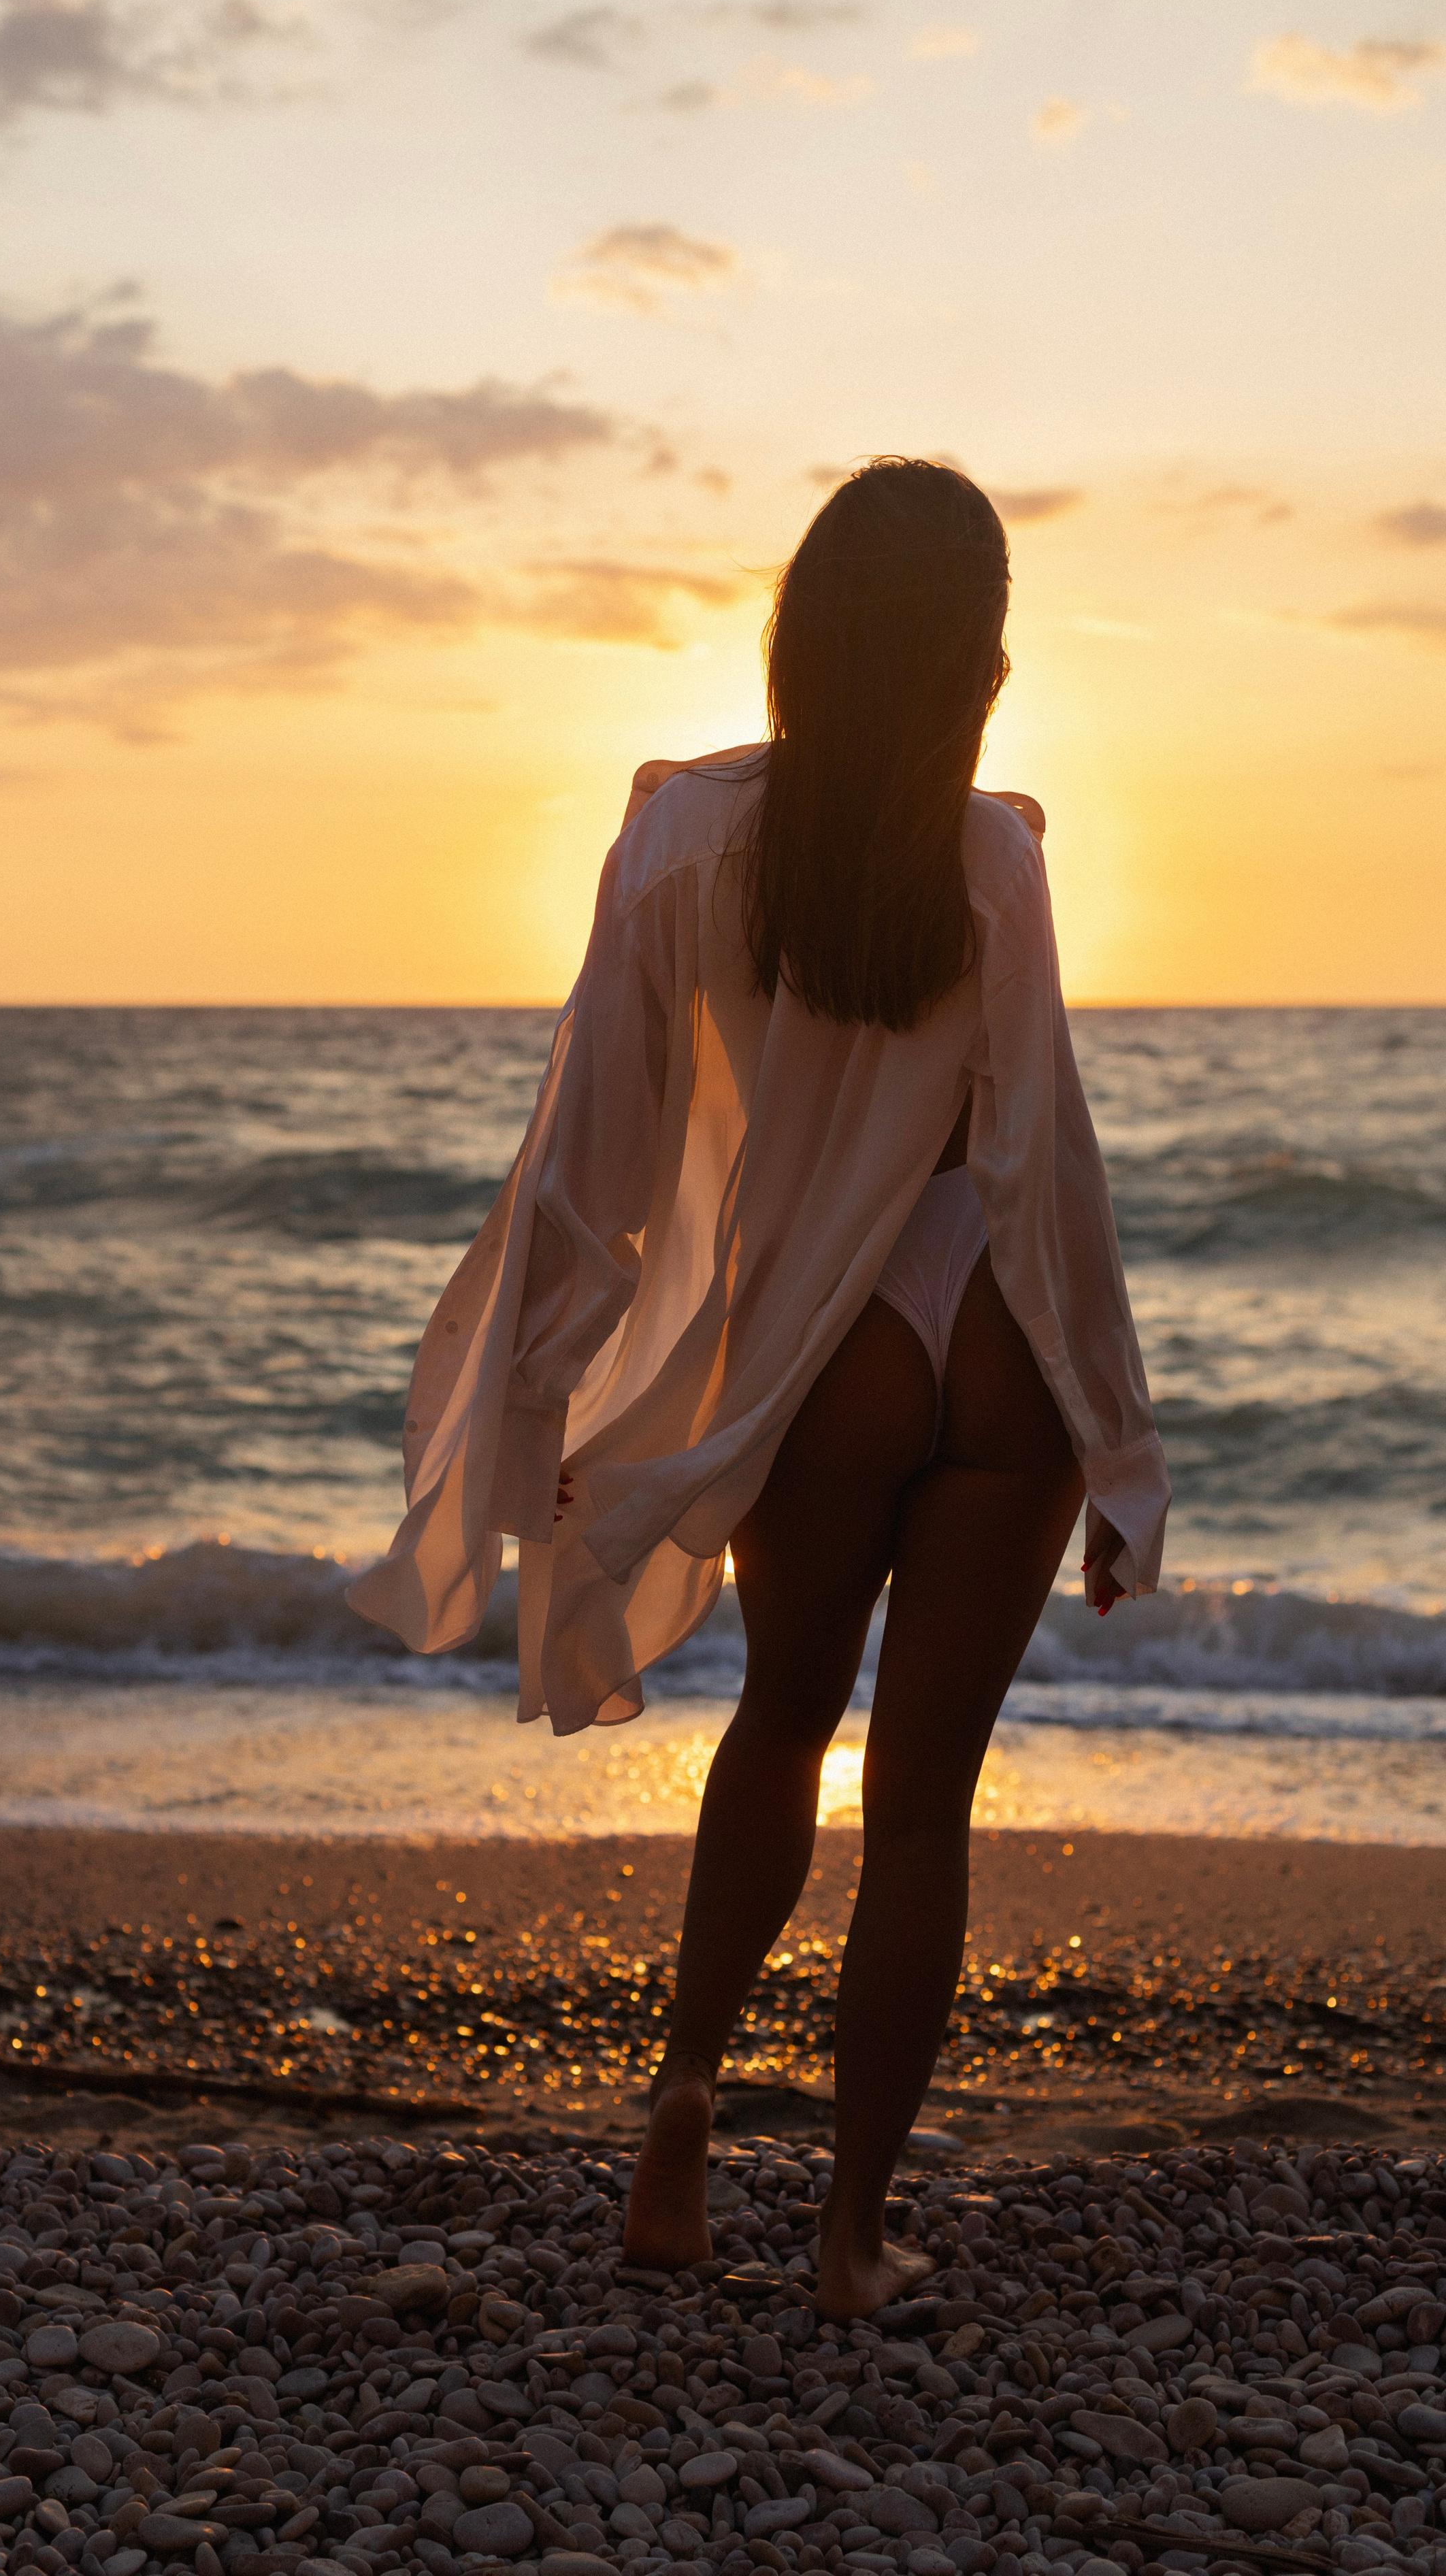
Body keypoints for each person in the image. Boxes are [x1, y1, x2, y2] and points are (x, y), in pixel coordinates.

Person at [350, 456, 1169, 2317]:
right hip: (993, 1358)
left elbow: (594, 1165)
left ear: (802, 642)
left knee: (785, 1723)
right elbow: (1046, 1175)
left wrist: (538, 1404)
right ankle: (854, 2236)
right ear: (974, 666)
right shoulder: (998, 859)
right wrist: (1117, 1457)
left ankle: (686, 2106)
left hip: (829, 1363)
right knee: (931, 1809)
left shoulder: (687, 847)